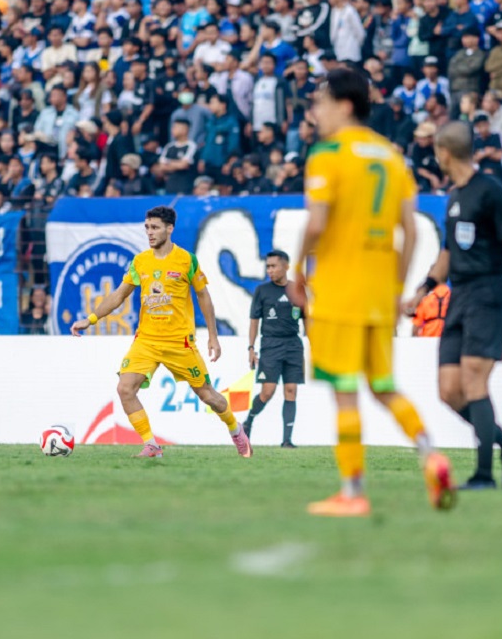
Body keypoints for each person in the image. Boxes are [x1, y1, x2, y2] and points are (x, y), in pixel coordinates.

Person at [293, 67, 452, 518]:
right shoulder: (390, 156)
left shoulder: (328, 155)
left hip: (340, 292)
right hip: (380, 294)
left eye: (320, 103)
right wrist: (397, 287)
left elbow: (318, 223)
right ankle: (431, 455)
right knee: (383, 387)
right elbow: (412, 232)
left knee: (345, 391)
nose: (315, 112)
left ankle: (352, 490)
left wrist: (298, 269)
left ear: (344, 106)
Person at [409, 121, 502, 491]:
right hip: (459, 295)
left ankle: (484, 474)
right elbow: (449, 253)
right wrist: (423, 290)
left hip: (489, 293)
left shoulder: (491, 192)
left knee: (473, 380)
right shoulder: (454, 197)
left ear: (444, 152)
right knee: (449, 390)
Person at [69, 206, 251, 459]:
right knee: (125, 389)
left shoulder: (187, 260)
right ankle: (151, 445)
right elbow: (119, 295)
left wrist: (213, 336)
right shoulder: (140, 261)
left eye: (154, 227)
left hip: (180, 342)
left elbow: (203, 296)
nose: (150, 233)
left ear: (169, 229)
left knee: (208, 396)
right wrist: (90, 319)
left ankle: (235, 429)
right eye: (147, 227)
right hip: (146, 340)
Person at [243, 249, 305, 449]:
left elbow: (308, 319)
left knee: (291, 390)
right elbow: (254, 321)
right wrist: (251, 348)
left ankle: (287, 440)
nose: (269, 270)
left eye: (273, 266)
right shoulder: (262, 291)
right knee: (267, 392)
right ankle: (248, 421)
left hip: (293, 346)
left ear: (286, 266)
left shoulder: (298, 290)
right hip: (270, 345)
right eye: (267, 266)